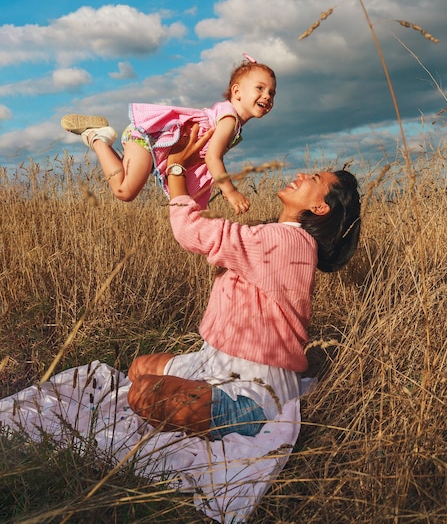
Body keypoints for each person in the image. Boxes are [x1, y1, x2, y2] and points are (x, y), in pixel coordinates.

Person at [127, 124, 361, 440]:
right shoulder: (286, 238)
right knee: (140, 368)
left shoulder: (287, 241)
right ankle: (198, 393)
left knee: (143, 393)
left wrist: (176, 169)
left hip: (252, 393)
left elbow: (192, 232)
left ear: (320, 208)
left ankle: (223, 416)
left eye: (314, 179)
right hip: (215, 363)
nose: (303, 175)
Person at [60, 54, 276, 213]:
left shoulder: (232, 124)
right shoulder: (228, 119)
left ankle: (102, 137)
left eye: (271, 92)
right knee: (124, 191)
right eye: (260, 88)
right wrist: (230, 192)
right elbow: (212, 157)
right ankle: (97, 139)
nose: (267, 96)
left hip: (157, 149)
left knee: (126, 186)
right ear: (237, 91)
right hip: (149, 140)